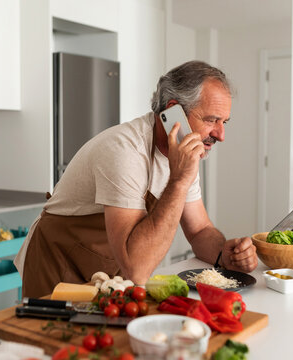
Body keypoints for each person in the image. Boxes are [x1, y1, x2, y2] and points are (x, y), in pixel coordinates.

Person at [14, 60, 258, 298]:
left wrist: (224, 255)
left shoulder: (185, 154)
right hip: (58, 267)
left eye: (224, 122)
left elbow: (199, 230)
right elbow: (138, 270)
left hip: (109, 272)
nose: (221, 134)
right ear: (174, 111)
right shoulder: (124, 150)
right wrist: (179, 180)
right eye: (211, 120)